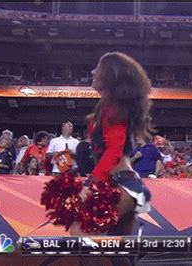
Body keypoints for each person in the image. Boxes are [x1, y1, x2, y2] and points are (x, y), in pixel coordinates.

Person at [69, 52, 153, 238]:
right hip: (126, 182)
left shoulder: (112, 107)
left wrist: (89, 184)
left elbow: (114, 151)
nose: (92, 72)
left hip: (120, 182)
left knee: (81, 231)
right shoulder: (111, 106)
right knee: (116, 250)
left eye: (97, 69)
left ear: (108, 75)